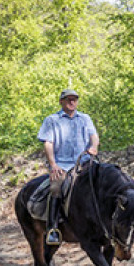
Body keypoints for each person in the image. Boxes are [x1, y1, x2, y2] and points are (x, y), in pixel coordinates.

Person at [38, 88, 100, 245]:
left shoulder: (85, 118)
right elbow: (48, 143)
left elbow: (94, 136)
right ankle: (52, 229)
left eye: (74, 99)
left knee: (105, 182)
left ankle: (108, 224)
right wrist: (53, 165)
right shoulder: (52, 120)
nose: (72, 102)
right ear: (61, 102)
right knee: (56, 187)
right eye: (68, 99)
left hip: (85, 162)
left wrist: (94, 147)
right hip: (63, 165)